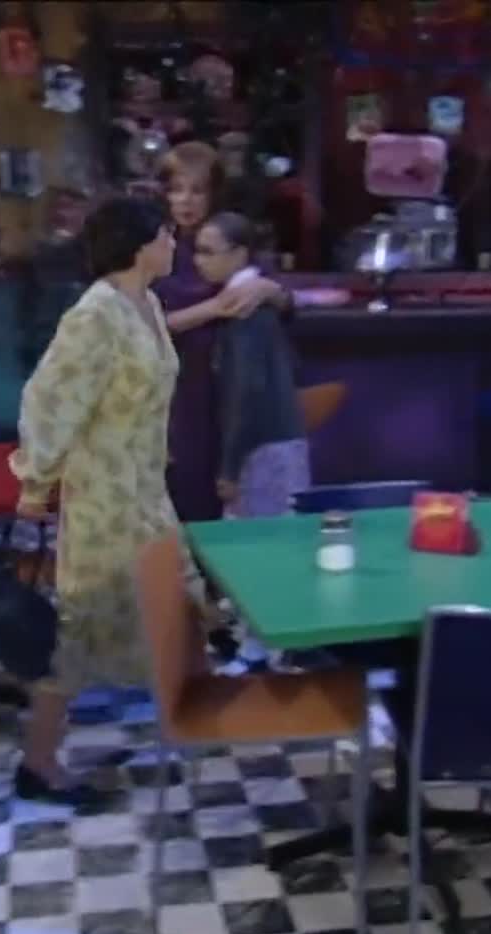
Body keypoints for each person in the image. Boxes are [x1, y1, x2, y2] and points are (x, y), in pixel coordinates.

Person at [10, 195, 213, 805]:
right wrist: (36, 481)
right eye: (165, 234)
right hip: (103, 495)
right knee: (83, 624)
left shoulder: (146, 304)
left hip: (145, 486)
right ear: (139, 243)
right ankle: (38, 763)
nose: (174, 244)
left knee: (183, 604)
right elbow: (51, 399)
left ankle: (192, 728)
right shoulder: (95, 314)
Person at [152, 142, 293, 523]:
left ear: (214, 193)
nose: (186, 200)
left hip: (234, 388)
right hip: (181, 393)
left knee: (239, 505)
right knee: (187, 498)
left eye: (197, 190)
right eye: (177, 189)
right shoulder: (154, 249)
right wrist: (213, 309)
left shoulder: (230, 239)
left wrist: (270, 290)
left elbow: (284, 301)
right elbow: (143, 326)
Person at [195, 212, 311, 670]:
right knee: (262, 551)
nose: (199, 260)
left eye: (208, 251)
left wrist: (229, 466)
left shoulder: (246, 309)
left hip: (262, 448)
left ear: (239, 254)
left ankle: (267, 649)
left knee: (262, 554)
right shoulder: (247, 301)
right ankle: (256, 647)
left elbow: (245, 394)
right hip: (273, 442)